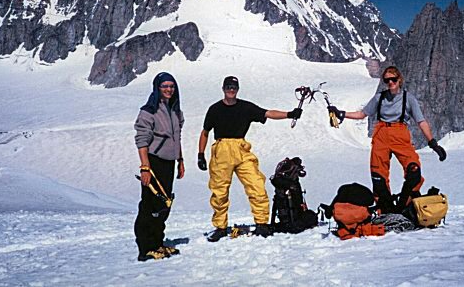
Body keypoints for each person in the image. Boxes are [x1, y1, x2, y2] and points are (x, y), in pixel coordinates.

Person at [328, 66, 446, 215]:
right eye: (387, 80)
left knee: (413, 170)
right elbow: (362, 114)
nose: (390, 82)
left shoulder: (408, 99)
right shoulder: (380, 97)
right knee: (378, 175)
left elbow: (421, 121)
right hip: (381, 134)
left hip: (400, 134)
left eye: (393, 79)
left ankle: (405, 204)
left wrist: (432, 143)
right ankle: (386, 210)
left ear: (399, 80)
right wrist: (341, 114)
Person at [197, 76, 303, 242]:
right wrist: (200, 154)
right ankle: (220, 226)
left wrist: (290, 114)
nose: (231, 90)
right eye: (228, 87)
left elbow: (267, 113)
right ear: (223, 88)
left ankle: (261, 223)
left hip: (241, 148)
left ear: (237, 89)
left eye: (234, 87)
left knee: (256, 184)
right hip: (221, 149)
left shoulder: (245, 107)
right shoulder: (214, 109)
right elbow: (205, 132)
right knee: (219, 191)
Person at [133, 72, 185, 261]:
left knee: (164, 204)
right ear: (157, 88)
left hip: (169, 162)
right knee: (150, 204)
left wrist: (180, 160)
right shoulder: (149, 111)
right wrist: (145, 167)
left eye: (172, 86)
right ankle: (146, 248)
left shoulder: (175, 111)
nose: (169, 89)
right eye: (165, 86)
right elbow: (142, 140)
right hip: (153, 161)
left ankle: (158, 243)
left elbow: (177, 137)